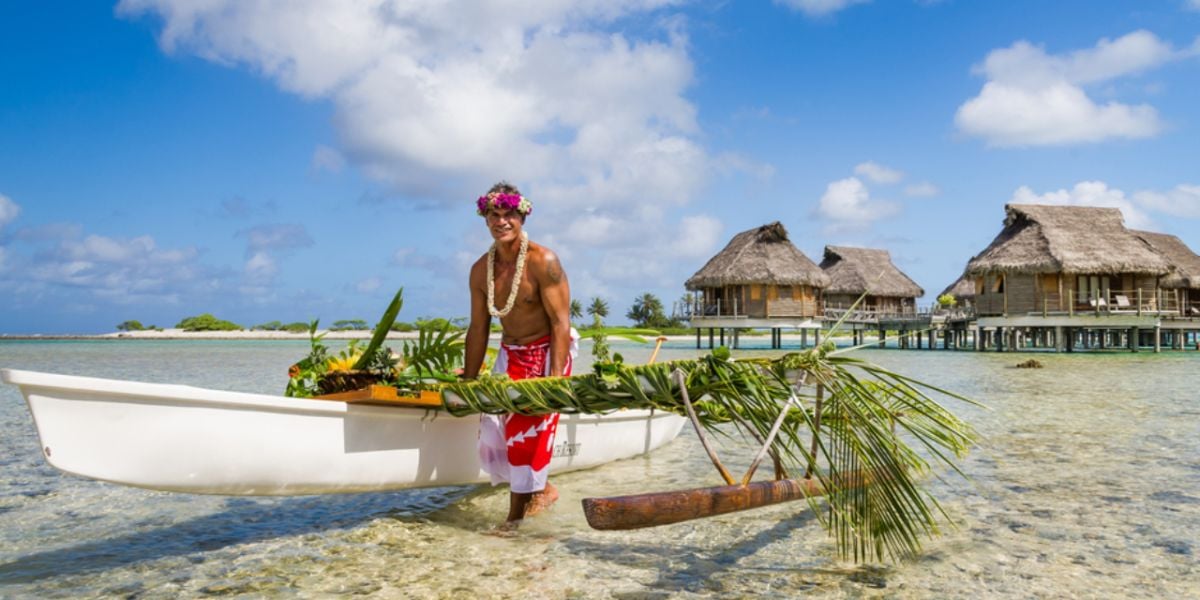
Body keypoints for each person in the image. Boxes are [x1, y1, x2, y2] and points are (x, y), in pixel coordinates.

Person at [463, 181, 574, 530]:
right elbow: (478, 327)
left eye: (508, 214)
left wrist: (553, 381)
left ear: (522, 216)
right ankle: (544, 490)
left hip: (547, 351)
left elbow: (560, 322)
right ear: (485, 220)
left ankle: (513, 521)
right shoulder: (481, 270)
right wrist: (469, 380)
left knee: (526, 435)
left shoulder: (543, 261)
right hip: (510, 354)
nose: (501, 221)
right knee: (496, 430)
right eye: (494, 215)